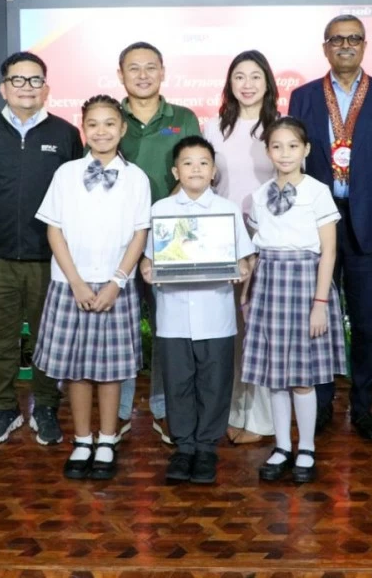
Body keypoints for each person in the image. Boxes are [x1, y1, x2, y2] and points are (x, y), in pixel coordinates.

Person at [288, 15, 372, 440]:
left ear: (364, 46)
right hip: (316, 226)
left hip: (369, 227)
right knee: (317, 318)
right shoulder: (303, 97)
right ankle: (320, 404)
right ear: (325, 47)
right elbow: (293, 164)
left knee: (365, 322)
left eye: (353, 38)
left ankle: (362, 407)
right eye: (337, 39)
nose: (345, 45)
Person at [33, 95, 151, 480]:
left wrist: (117, 282)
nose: (102, 132)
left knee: (111, 370)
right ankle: (82, 439)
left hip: (115, 285)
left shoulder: (136, 178)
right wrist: (77, 282)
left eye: (110, 124)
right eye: (93, 124)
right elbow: (54, 231)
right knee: (77, 369)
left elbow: (139, 234)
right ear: (83, 128)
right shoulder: (66, 174)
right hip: (71, 284)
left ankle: (107, 440)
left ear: (123, 128)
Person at [0, 53, 82, 446]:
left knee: (46, 340)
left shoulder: (66, 134)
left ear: (46, 88)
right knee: (0, 339)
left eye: (35, 80)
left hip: (49, 259)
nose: (26, 87)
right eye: (17, 80)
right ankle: (4, 408)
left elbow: (76, 195)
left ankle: (46, 406)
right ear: (3, 88)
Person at [142, 136, 255, 484]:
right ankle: (184, 448)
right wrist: (147, 269)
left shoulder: (227, 210)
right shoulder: (161, 210)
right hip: (173, 316)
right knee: (177, 383)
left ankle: (206, 449)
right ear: (176, 171)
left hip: (216, 314)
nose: (196, 169)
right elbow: (149, 259)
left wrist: (243, 268)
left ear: (213, 171)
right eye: (188, 163)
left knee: (214, 384)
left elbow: (244, 257)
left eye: (203, 163)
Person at [242, 117, 346, 483]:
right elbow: (256, 251)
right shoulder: (259, 196)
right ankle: (282, 446)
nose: (284, 154)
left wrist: (320, 303)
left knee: (302, 377)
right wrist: (247, 291)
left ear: (306, 150)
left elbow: (329, 251)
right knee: (275, 376)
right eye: (277, 146)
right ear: (267, 151)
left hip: (305, 285)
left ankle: (307, 448)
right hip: (269, 286)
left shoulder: (317, 192)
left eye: (292, 146)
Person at [116, 42, 201, 444]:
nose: (143, 75)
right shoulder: (110, 117)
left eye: (151, 67)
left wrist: (166, 220)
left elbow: (195, 170)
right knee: (121, 327)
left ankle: (165, 408)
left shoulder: (182, 118)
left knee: (167, 327)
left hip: (171, 239)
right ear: (121, 75)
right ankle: (119, 411)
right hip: (118, 240)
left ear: (163, 72)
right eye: (134, 68)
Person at [203, 50, 278, 445]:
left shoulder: (280, 127)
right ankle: (234, 411)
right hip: (224, 242)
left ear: (268, 83)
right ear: (229, 84)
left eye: (255, 76)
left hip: (270, 242)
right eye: (239, 77)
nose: (247, 84)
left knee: (261, 333)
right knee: (231, 332)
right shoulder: (214, 128)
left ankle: (263, 420)